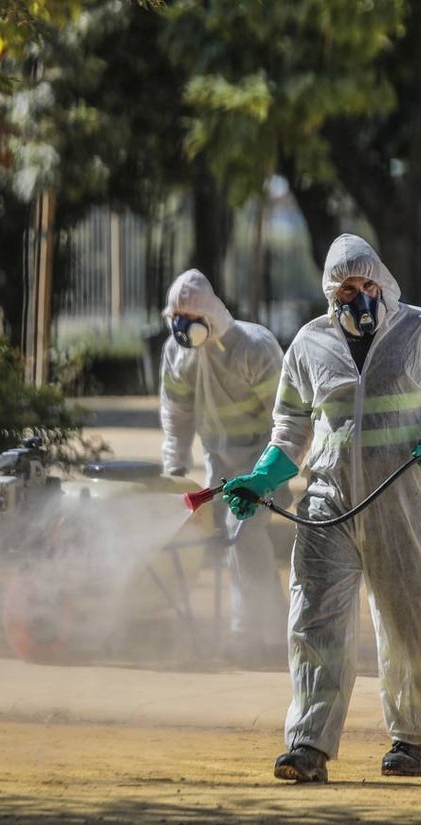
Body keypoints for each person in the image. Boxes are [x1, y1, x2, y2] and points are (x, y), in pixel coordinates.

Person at [222, 234, 421, 783]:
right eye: (346, 288)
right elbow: (290, 425)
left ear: (382, 283)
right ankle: (308, 743)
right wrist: (263, 477)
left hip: (398, 500)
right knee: (314, 618)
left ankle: (410, 738)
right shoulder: (309, 344)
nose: (359, 296)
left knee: (406, 617)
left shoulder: (419, 329)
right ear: (331, 293)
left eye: (367, 284)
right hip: (327, 502)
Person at [159, 268, 289, 666]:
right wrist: (174, 469)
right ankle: (266, 631)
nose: (181, 327)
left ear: (209, 316)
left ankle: (254, 635)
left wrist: (274, 470)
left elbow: (287, 415)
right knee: (229, 545)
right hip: (218, 463)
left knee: (245, 538)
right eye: (176, 318)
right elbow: (177, 414)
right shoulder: (179, 354)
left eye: (189, 318)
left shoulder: (254, 348)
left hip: (260, 461)